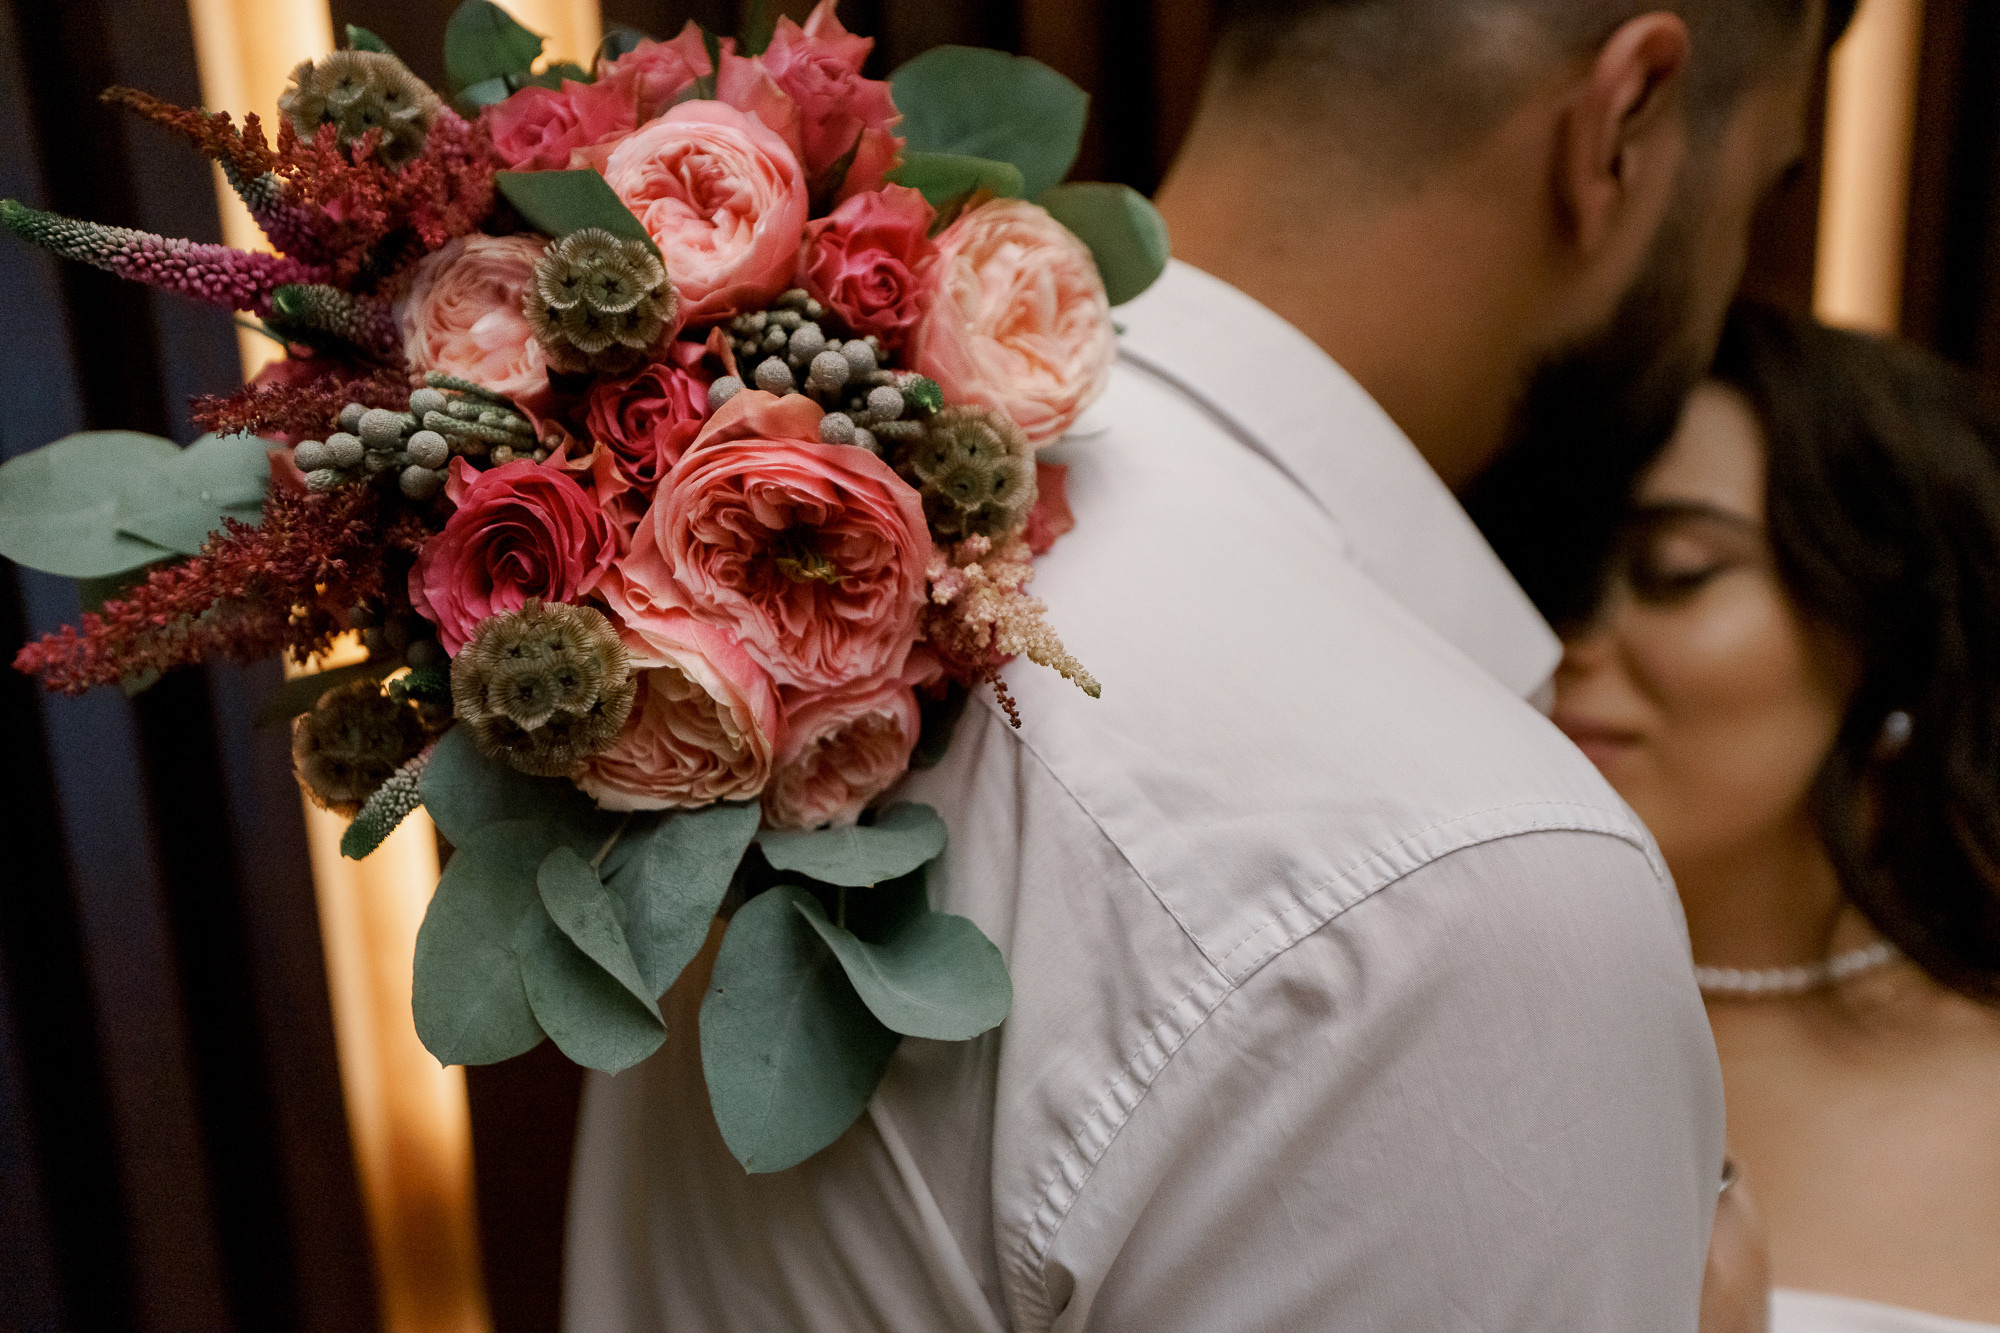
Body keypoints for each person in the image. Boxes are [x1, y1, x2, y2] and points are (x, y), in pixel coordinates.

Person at [564, 4, 1843, 1328]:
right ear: (1623, 123)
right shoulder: (1465, 878)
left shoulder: (735, 622)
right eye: (1756, 190)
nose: (1731, 272)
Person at [1552, 303, 2000, 1333]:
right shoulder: (1430, 1024)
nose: (1569, 636)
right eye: (1543, 571)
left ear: (1886, 633)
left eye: (1673, 573)